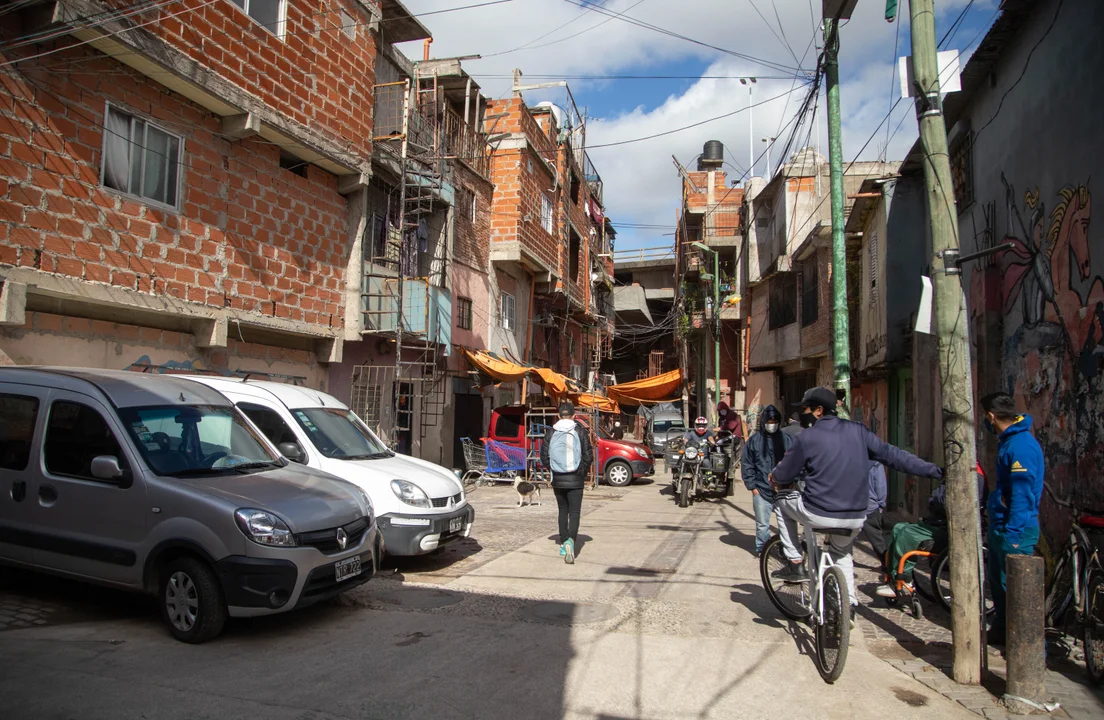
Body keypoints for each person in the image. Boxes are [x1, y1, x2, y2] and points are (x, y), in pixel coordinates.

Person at [770, 387, 943, 625]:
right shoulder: (860, 432)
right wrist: (934, 470)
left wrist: (776, 478)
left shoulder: (806, 438)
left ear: (819, 411)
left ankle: (795, 561)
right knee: (841, 553)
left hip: (818, 513)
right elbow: (894, 456)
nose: (803, 414)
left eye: (806, 409)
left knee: (781, 502)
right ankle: (848, 606)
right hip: (855, 517)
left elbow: (783, 473)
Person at [982, 392, 1044, 646]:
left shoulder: (1020, 446)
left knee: (1017, 594)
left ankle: (1027, 649)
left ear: (991, 416)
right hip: (1001, 526)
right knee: (999, 588)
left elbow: (1021, 494)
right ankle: (1001, 633)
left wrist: (1013, 535)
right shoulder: (1008, 441)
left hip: (1015, 529)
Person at [874, 464, 988, 598]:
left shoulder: (972, 475)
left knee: (907, 535)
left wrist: (936, 498)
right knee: (898, 528)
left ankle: (903, 578)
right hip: (939, 522)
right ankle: (894, 576)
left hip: (952, 529)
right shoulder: (958, 471)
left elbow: (945, 502)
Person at [541, 400, 594, 565]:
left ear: (558, 415)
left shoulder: (551, 431)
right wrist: (581, 472)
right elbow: (588, 455)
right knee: (575, 512)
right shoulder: (579, 430)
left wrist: (555, 469)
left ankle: (564, 542)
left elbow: (544, 456)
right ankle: (571, 541)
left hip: (558, 478)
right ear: (573, 415)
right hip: (575, 478)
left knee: (562, 511)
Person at [742, 405, 792, 554]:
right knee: (762, 525)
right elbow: (747, 464)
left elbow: (794, 462)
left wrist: (792, 483)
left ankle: (787, 551)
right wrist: (753, 487)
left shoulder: (786, 440)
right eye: (769, 421)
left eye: (774, 421)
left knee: (786, 524)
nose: (772, 424)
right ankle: (763, 551)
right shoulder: (754, 441)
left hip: (783, 490)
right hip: (761, 489)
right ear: (764, 421)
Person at [863, 461, 889, 575]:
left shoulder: (848, 457)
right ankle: (887, 565)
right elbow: (880, 486)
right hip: (870, 506)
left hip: (850, 507)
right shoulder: (875, 464)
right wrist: (881, 504)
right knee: (878, 540)